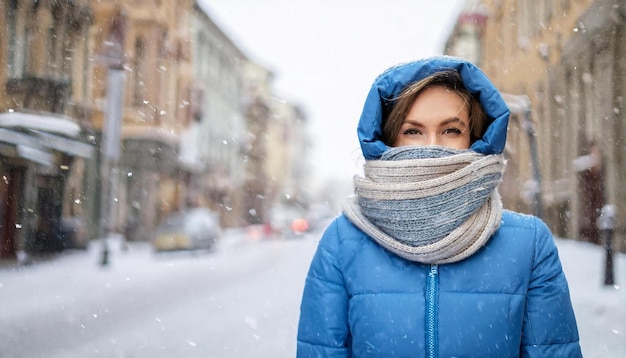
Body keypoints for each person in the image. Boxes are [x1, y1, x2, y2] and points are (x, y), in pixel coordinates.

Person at [296, 56, 582, 357]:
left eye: (451, 130)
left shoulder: (528, 243)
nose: (432, 146)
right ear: (388, 141)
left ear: (476, 139)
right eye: (413, 131)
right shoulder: (342, 244)